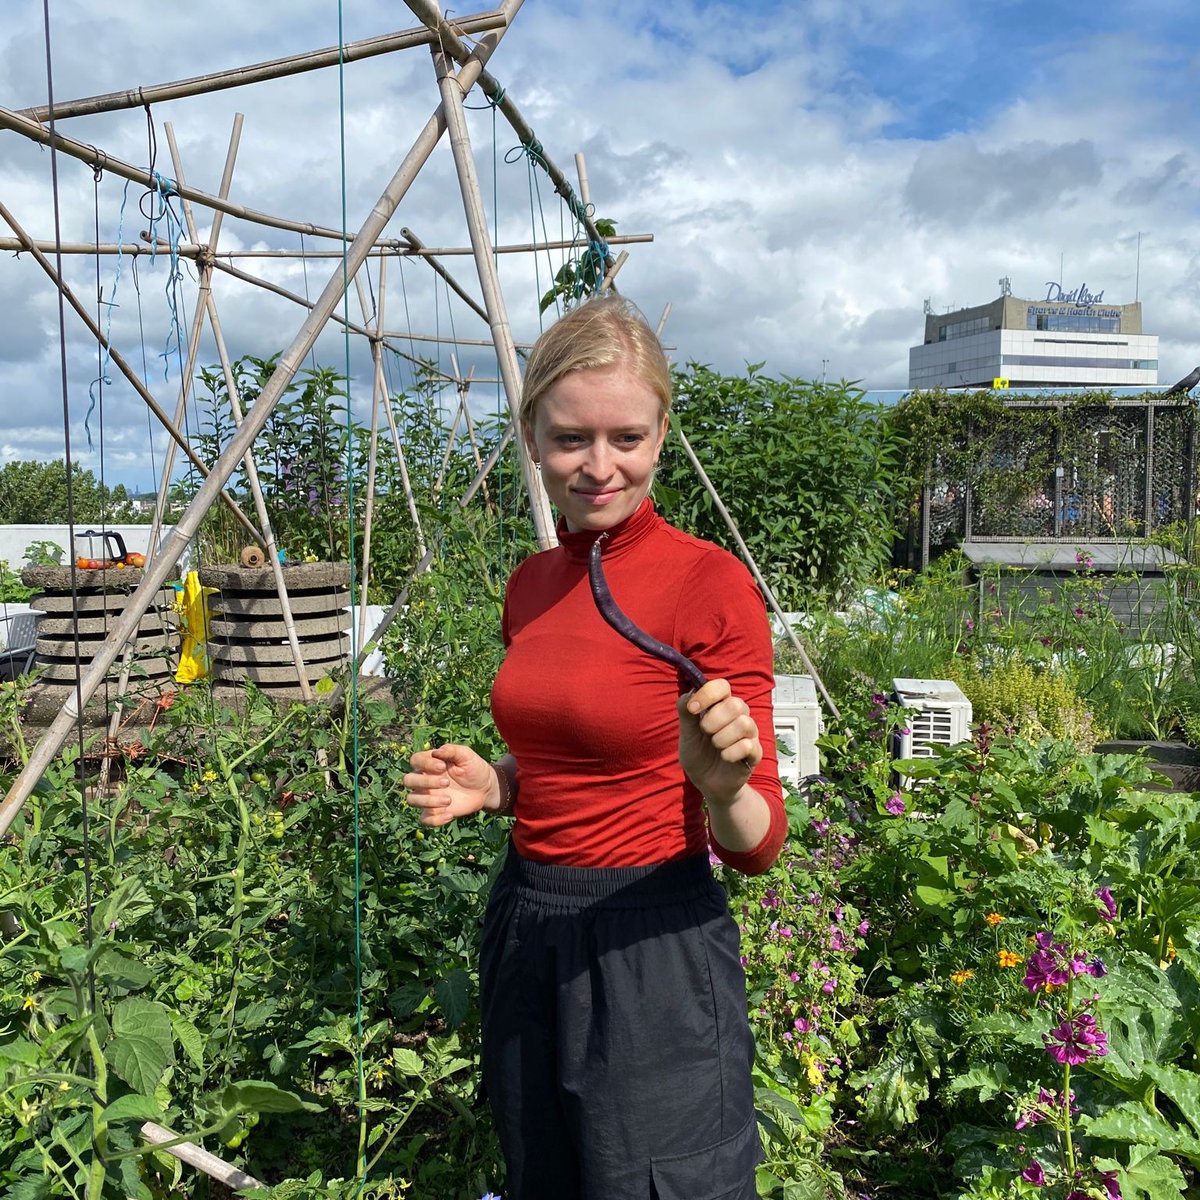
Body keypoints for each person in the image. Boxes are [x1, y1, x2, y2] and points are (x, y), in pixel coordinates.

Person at [404, 296, 786, 1200]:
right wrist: (497, 785)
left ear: (660, 435)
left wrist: (719, 784)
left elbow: (758, 841)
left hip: (650, 941)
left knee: (660, 1185)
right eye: (573, 437)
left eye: (627, 437)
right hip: (528, 921)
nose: (600, 467)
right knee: (544, 1174)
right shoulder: (532, 583)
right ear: (533, 434)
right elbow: (578, 752)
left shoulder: (707, 583)